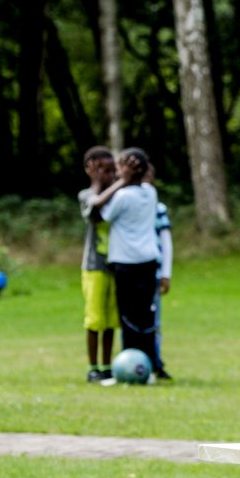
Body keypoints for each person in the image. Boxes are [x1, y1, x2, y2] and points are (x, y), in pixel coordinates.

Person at [86, 147, 163, 380]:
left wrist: (120, 182)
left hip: (126, 263)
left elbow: (96, 209)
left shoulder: (122, 196)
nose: (116, 172)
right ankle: (150, 367)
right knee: (146, 319)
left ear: (128, 170)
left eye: (119, 167)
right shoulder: (150, 192)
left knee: (128, 320)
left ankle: (131, 369)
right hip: (149, 261)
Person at [75, 146, 117, 383]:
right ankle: (93, 366)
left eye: (112, 170)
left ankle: (108, 366)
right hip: (94, 267)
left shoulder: (118, 196)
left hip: (115, 266)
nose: (109, 175)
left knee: (111, 320)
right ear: (90, 170)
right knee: (95, 319)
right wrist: (97, 184)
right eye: (103, 170)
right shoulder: (85, 195)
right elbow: (94, 213)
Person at [150, 194, 174, 380]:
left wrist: (165, 273)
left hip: (153, 272)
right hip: (127, 270)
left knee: (154, 322)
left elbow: (166, 242)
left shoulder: (158, 208)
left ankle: (155, 362)